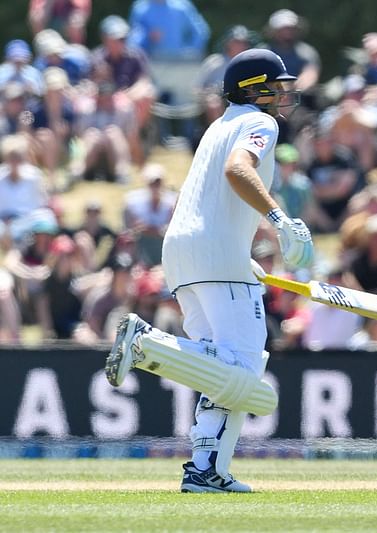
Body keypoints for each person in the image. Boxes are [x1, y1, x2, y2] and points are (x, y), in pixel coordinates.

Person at [105, 48, 313, 493]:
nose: (281, 94)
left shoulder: (218, 126)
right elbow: (238, 170)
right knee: (244, 365)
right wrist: (280, 220)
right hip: (214, 254)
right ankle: (146, 342)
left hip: (184, 252)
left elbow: (210, 197)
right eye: (274, 86)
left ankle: (206, 469)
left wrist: (243, 254)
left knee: (218, 366)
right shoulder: (260, 123)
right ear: (254, 89)